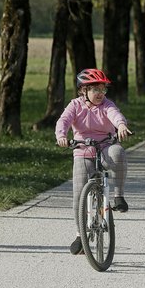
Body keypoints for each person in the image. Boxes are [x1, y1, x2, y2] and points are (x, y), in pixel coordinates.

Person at [55, 68, 133, 255]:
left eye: (102, 89)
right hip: (83, 149)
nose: (100, 93)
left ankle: (118, 196)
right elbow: (63, 121)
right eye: (95, 89)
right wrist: (61, 136)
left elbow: (116, 115)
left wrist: (121, 125)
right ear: (84, 91)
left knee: (118, 153)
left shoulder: (107, 104)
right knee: (79, 194)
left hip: (106, 145)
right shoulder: (75, 105)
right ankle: (80, 234)